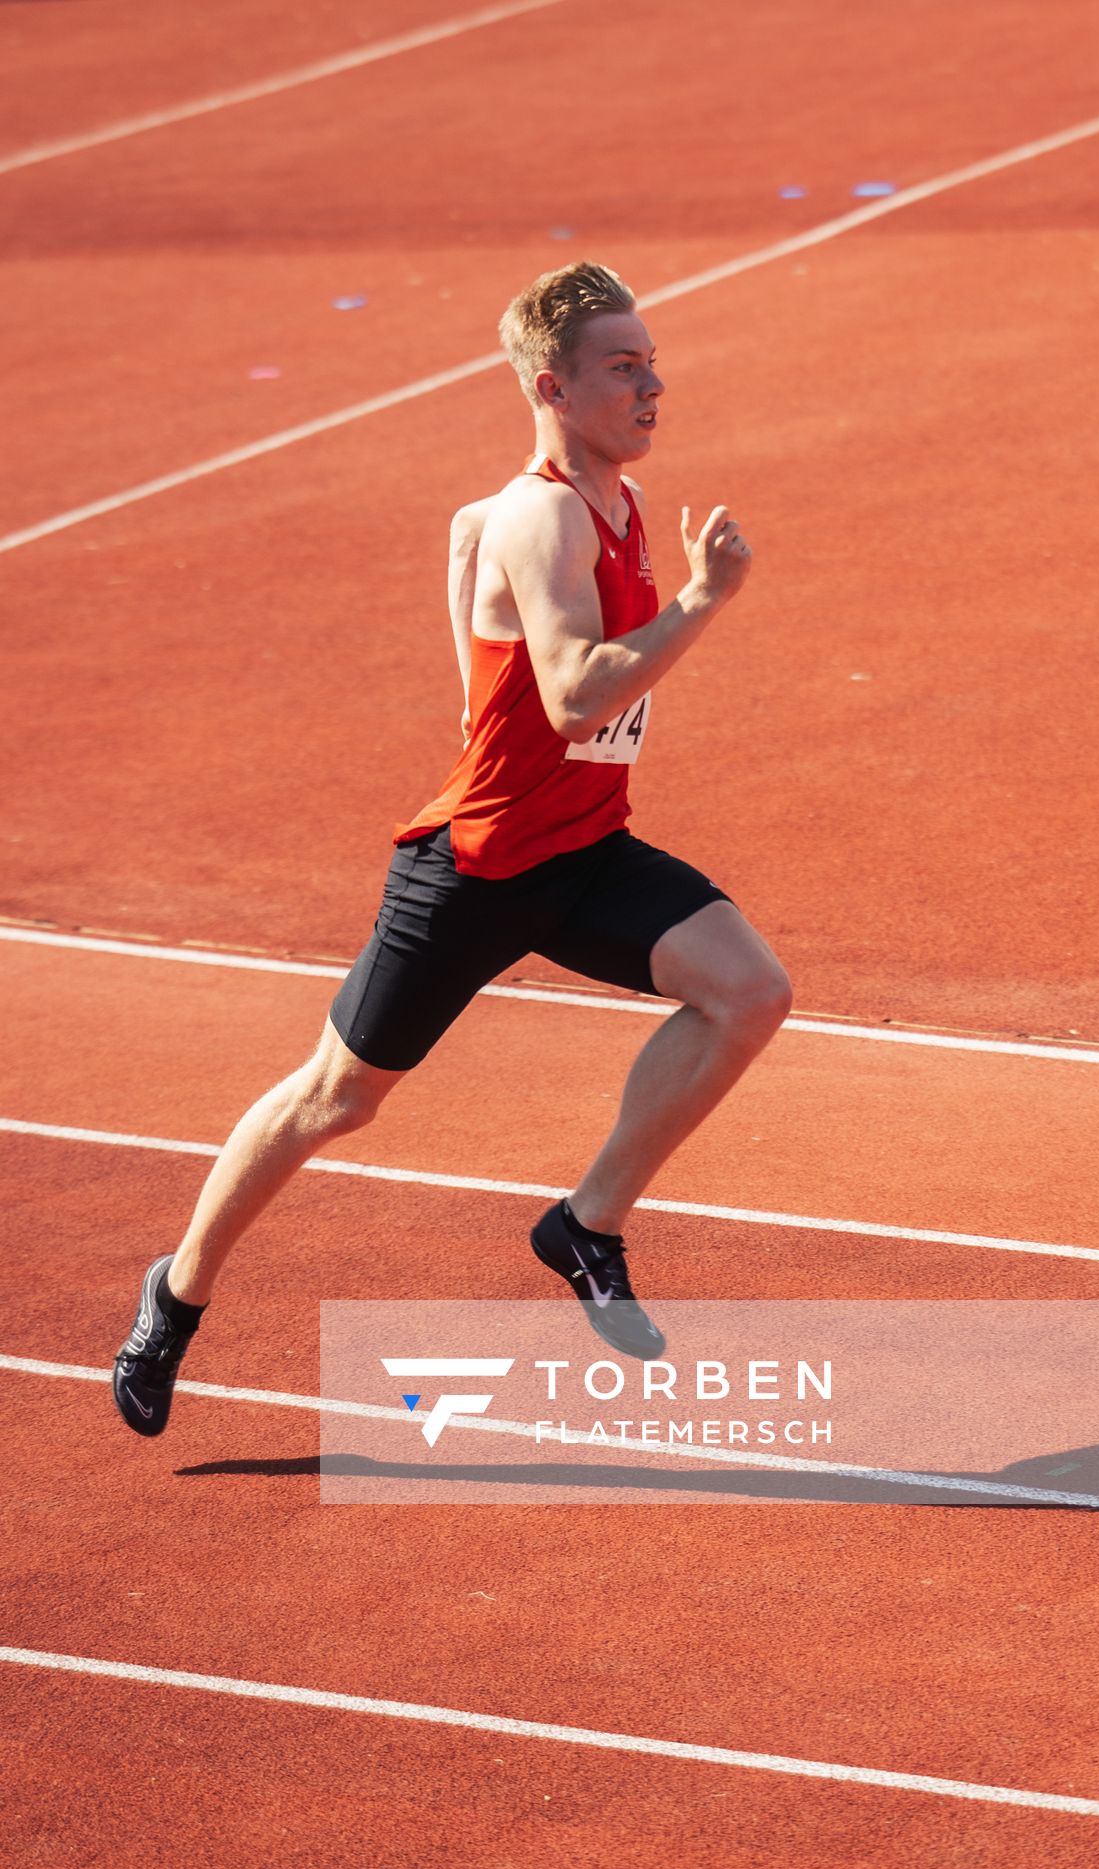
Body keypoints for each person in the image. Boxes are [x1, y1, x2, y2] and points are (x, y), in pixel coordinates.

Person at [113, 261, 792, 1438]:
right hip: (475, 870)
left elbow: (509, 636)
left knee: (747, 991)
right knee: (334, 1100)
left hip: (581, 852)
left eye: (650, 360)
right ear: (553, 385)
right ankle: (174, 1295)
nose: (654, 384)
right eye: (624, 367)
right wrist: (702, 601)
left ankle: (585, 1223)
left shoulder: (597, 505)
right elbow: (579, 695)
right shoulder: (539, 514)